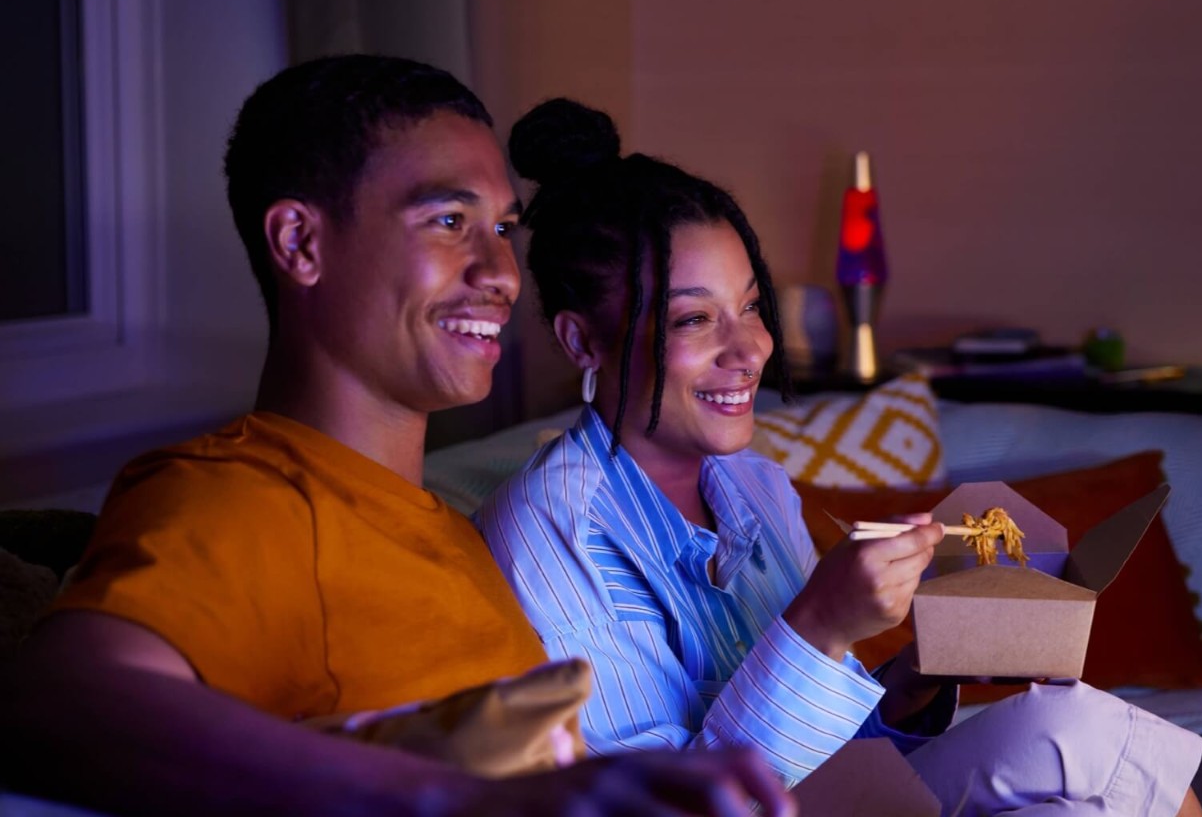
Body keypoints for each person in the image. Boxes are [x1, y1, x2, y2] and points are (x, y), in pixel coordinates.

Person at [0, 56, 792, 817]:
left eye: (503, 230)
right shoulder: (248, 491)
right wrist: (470, 802)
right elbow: (58, 700)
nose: (503, 275)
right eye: (450, 222)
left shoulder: (448, 532)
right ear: (301, 245)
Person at [475, 97, 1202, 816]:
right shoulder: (550, 535)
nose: (752, 349)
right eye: (695, 318)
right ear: (581, 341)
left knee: (1073, 752)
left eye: (754, 306)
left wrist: (918, 672)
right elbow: (668, 807)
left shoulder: (753, 485)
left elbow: (834, 755)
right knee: (1080, 747)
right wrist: (819, 623)